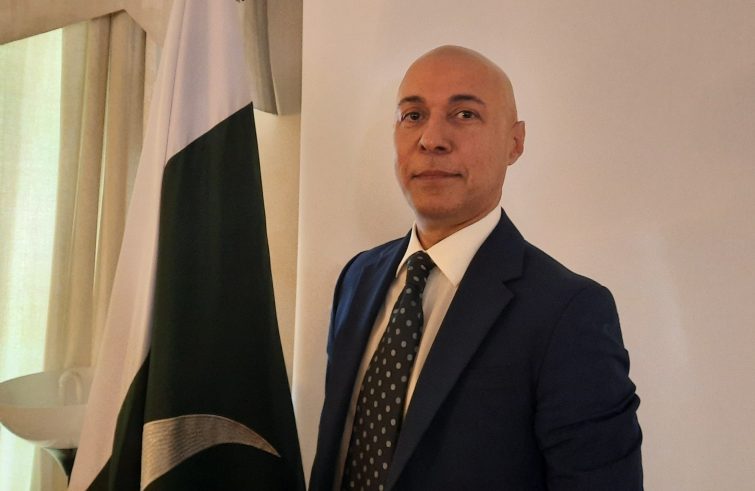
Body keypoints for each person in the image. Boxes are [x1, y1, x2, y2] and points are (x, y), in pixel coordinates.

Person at [310, 45, 642, 491]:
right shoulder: (358, 278)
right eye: (413, 115)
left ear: (515, 142)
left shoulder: (568, 313)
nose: (431, 139)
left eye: (464, 114)